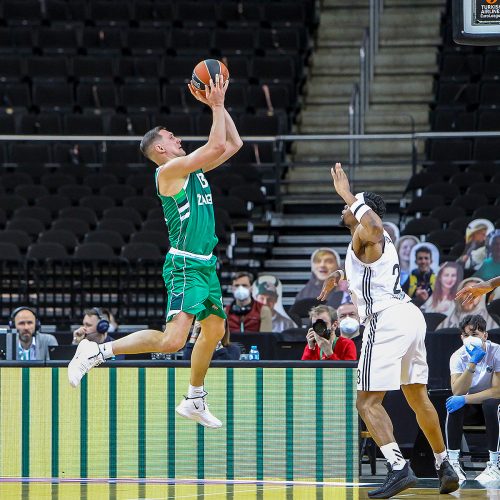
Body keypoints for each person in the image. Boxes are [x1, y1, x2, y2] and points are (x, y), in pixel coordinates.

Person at [68, 73, 243, 429]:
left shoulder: (191, 169)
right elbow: (213, 148)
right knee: (172, 340)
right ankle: (97, 351)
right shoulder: (169, 172)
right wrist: (216, 104)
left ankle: (194, 397)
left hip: (205, 265)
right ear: (160, 149)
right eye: (171, 136)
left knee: (214, 331)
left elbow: (232, 144)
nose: (177, 138)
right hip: (184, 266)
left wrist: (219, 109)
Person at [318, 163, 459, 498]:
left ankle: (398, 468)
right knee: (416, 395)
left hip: (387, 320)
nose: (344, 208)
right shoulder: (368, 245)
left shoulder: (369, 233)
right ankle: (444, 464)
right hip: (409, 316)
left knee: (366, 402)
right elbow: (369, 264)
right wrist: (339, 275)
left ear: (361, 211)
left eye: (350, 207)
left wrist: (348, 194)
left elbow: (375, 228)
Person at [445, 314, 500, 483]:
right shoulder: (458, 356)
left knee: (491, 404)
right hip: (471, 407)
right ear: (462, 337)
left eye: (475, 334)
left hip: (492, 406)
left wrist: (465, 399)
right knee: (453, 405)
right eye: (466, 335)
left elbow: (497, 392)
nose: (470, 339)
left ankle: (494, 464)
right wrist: (472, 364)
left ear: (485, 335)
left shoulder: (497, 351)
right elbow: (458, 390)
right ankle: (453, 463)